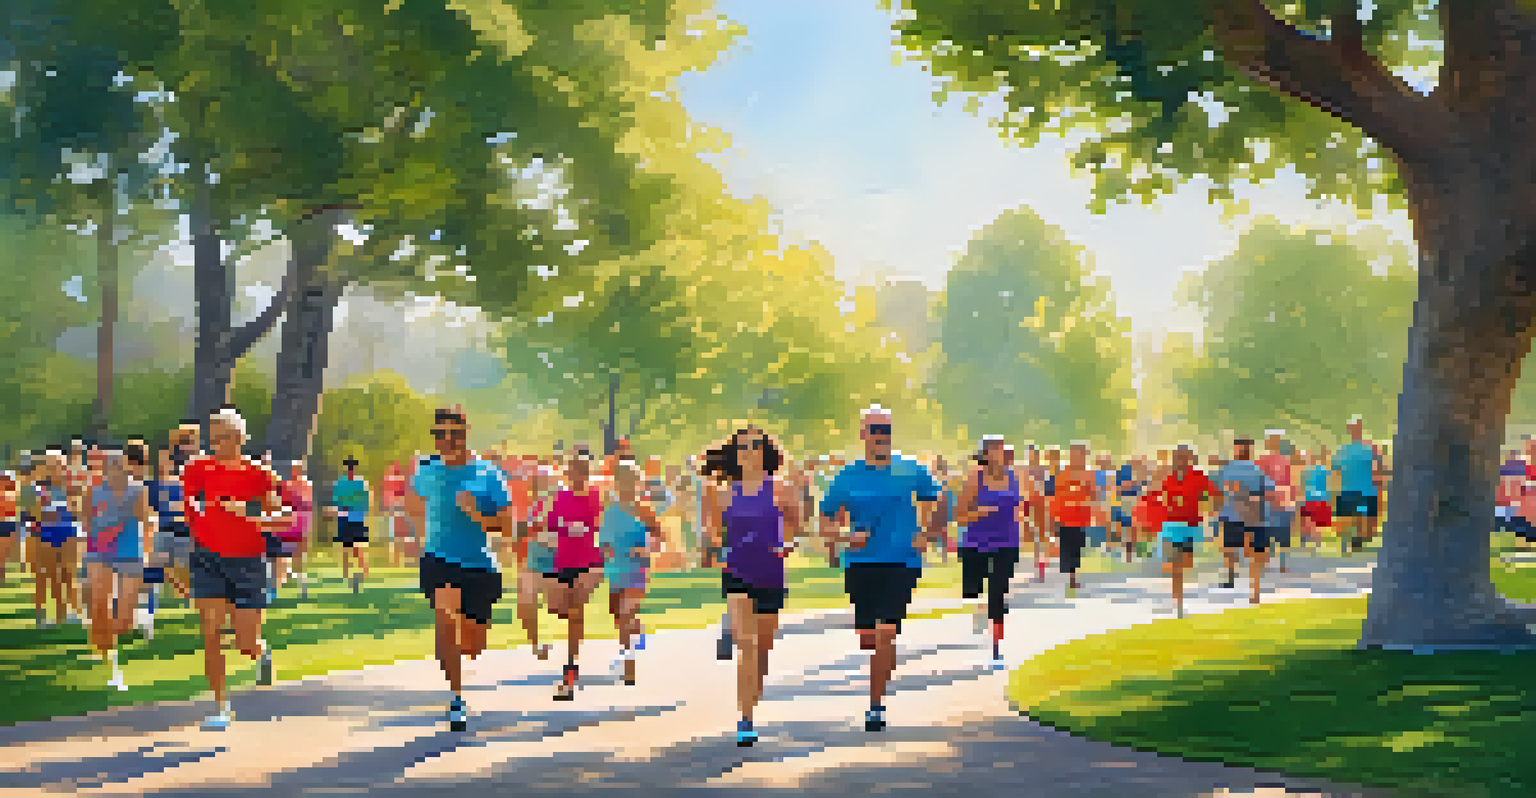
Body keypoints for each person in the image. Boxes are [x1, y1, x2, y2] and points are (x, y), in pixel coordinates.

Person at [819, 405, 944, 733]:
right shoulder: (848, 476)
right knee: (869, 638)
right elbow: (825, 522)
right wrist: (847, 536)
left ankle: (876, 705)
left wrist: (927, 535)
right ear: (863, 434)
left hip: (902, 561)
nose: (881, 437)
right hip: (861, 564)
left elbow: (939, 501)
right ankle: (877, 657)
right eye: (875, 430)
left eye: (886, 430)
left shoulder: (910, 469)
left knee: (887, 632)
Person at [407, 407, 516, 732]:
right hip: (437, 559)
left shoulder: (487, 473)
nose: (448, 440)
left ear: (466, 433)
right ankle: (456, 698)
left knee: (472, 644)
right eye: (440, 434)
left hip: (479, 565)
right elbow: (413, 504)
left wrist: (478, 515)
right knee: (445, 611)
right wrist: (416, 538)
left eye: (454, 433)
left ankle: (462, 667)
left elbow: (507, 527)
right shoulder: (426, 470)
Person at [182, 406, 289, 730]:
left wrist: (249, 511)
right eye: (212, 439)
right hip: (207, 559)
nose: (215, 445)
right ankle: (219, 707)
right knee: (211, 634)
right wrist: (196, 521)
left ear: (240, 438)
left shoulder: (259, 474)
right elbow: (190, 504)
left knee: (245, 643)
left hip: (248, 562)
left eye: (222, 438)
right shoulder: (197, 468)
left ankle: (261, 654)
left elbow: (282, 518)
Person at [699, 427, 800, 745]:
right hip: (737, 571)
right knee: (747, 643)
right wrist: (711, 548)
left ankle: (750, 703)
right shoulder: (720, 492)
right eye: (742, 447)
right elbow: (714, 534)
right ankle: (745, 719)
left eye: (755, 446)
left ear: (764, 452)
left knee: (763, 647)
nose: (748, 451)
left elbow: (796, 528)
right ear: (735, 453)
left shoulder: (782, 490)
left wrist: (789, 545)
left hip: (770, 572)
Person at [83, 449, 155, 689]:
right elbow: (85, 520)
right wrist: (91, 544)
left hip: (130, 552)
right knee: (99, 601)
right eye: (109, 464)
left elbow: (146, 521)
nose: (114, 468)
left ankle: (115, 632)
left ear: (125, 466)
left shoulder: (138, 490)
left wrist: (147, 554)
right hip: (99, 552)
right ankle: (103, 649)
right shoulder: (92, 490)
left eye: (117, 464)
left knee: (124, 618)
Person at [953, 436, 1023, 666]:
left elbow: (1025, 506)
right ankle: (981, 609)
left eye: (1001, 451)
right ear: (984, 455)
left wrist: (1037, 531)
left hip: (1007, 541)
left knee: (999, 589)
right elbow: (959, 515)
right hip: (976, 542)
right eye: (993, 451)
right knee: (973, 590)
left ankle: (996, 643)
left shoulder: (1016, 477)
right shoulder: (975, 478)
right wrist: (984, 511)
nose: (998, 455)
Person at [543, 442, 606, 700]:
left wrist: (592, 533)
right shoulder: (560, 498)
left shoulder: (596, 497)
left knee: (575, 611)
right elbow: (550, 528)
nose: (577, 473)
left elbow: (604, 525)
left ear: (588, 471)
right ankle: (571, 664)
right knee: (559, 608)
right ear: (567, 473)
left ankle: (570, 669)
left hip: (590, 561)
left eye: (582, 469)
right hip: (563, 561)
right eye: (573, 469)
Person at [1153, 446, 1216, 618]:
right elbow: (1161, 497)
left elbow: (1212, 494)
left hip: (1190, 525)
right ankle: (1178, 603)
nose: (1180, 461)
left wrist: (1210, 512)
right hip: (1171, 524)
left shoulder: (1198, 476)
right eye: (1178, 457)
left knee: (1186, 563)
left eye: (1184, 457)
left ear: (1190, 459)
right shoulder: (1168, 477)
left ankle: (1177, 594)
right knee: (1176, 566)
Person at [1215, 437, 1276, 604]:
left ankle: (1237, 579)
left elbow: (1218, 491)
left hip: (1243, 517)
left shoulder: (1230, 469)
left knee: (1235, 550)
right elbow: (1269, 490)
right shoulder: (1255, 470)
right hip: (1247, 517)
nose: (1242, 451)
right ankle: (1249, 589)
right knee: (1247, 554)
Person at [516, 459, 557, 661]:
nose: (543, 484)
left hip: (553, 559)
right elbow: (524, 530)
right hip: (532, 560)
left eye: (546, 480)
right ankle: (536, 644)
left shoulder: (556, 502)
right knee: (527, 602)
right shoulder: (531, 503)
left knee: (557, 603)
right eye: (539, 481)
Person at [1049, 442, 1098, 593]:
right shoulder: (1063, 473)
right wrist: (1053, 517)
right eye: (1076, 453)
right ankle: (1071, 578)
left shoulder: (1089, 474)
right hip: (1064, 518)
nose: (1079, 457)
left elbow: (1093, 495)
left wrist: (1087, 503)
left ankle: (1072, 574)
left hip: (1081, 518)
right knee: (1066, 548)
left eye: (1082, 454)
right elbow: (1055, 496)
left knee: (1077, 548)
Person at [1331, 417, 1378, 554]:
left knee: (1355, 519)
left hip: (1359, 490)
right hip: (1359, 490)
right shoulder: (1366, 449)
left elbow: (1336, 472)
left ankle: (1353, 543)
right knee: (1355, 519)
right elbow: (1336, 471)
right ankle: (1352, 543)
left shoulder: (1348, 450)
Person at [328, 457, 372, 593]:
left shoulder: (355, 483)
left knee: (355, 548)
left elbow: (364, 503)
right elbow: (337, 502)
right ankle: (351, 575)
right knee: (349, 548)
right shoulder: (353, 483)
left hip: (353, 518)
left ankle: (359, 574)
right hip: (349, 518)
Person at [1256, 431, 1297, 573]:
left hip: (1281, 502)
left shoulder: (1284, 461)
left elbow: (1291, 482)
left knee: (1282, 533)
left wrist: (1292, 500)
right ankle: (1269, 561)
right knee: (1268, 533)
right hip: (1269, 502)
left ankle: (1282, 562)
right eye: (1271, 440)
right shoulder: (1262, 460)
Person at [275, 461, 314, 599]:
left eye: (296, 469)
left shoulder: (304, 485)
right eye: (293, 469)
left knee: (297, 557)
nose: (294, 471)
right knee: (282, 556)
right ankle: (280, 584)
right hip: (288, 525)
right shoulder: (288, 485)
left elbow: (307, 506)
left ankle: (300, 585)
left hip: (299, 525)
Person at [1299, 448, 1334, 550]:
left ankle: (1305, 540)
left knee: (1307, 521)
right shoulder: (1324, 470)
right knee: (1318, 523)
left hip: (1309, 499)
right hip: (1321, 499)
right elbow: (1330, 484)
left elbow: (1302, 486)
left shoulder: (1306, 471)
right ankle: (1316, 543)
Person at [383, 462, 409, 566]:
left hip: (396, 506)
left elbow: (389, 494)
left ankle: (397, 558)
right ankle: (397, 558)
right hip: (397, 506)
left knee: (396, 534)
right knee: (398, 534)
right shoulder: (397, 480)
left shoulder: (394, 480)